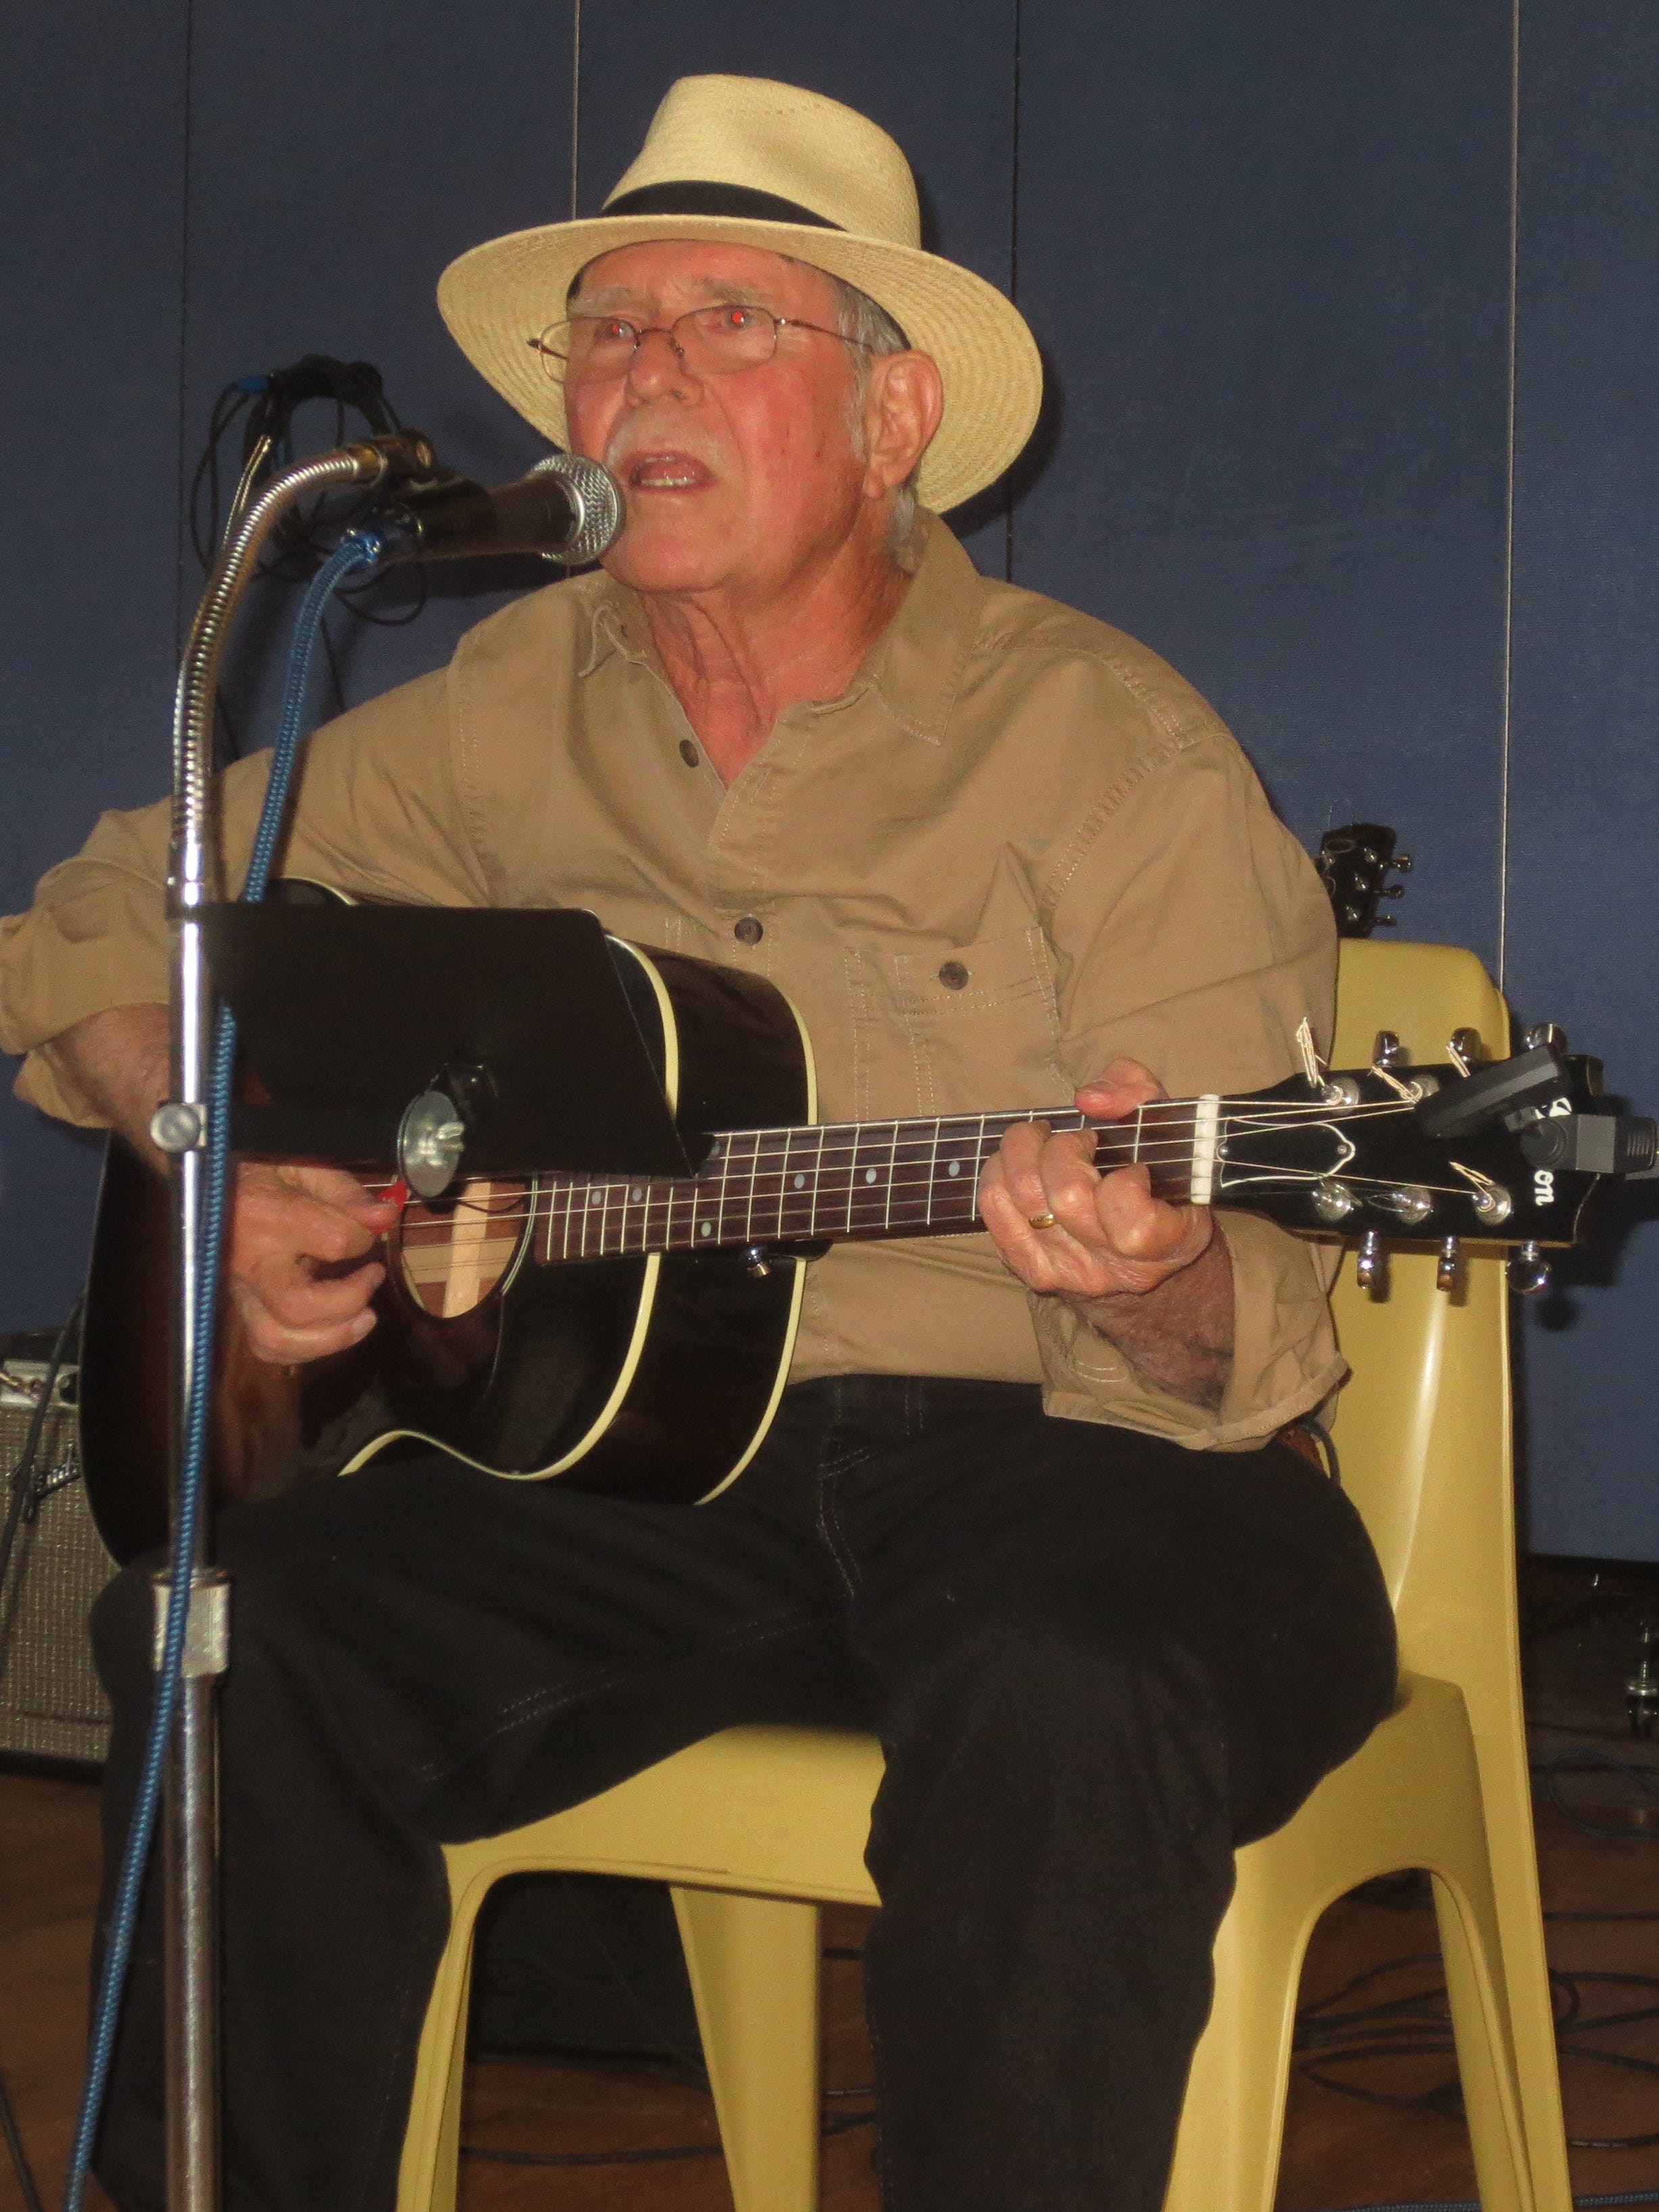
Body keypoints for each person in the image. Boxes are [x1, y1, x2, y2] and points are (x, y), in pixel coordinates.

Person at [0, 74, 1395, 2212]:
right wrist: (198, 1135)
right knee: (220, 1636)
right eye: (611, 334)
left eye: (728, 324)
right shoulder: (499, 703)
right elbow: (100, 911)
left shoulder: (1104, 741)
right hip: (645, 1478)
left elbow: (1260, 1345)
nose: (646, 376)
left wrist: (1162, 1271)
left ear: (895, 414)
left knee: (1057, 1687)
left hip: (1082, 1470)